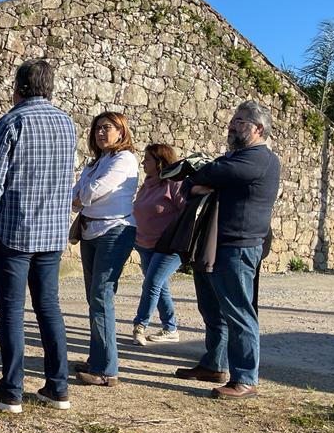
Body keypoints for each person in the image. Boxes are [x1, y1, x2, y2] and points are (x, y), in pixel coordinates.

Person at [0, 60, 77, 413]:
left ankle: (11, 390)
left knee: (11, 311)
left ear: (18, 87)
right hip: (52, 232)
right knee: (49, 308)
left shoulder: (12, 121)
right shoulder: (67, 123)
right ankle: (58, 387)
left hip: (15, 230)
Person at [176, 101, 281, 399]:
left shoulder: (259, 159)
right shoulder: (233, 158)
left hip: (238, 247)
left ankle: (245, 379)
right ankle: (214, 364)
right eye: (233, 119)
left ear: (258, 128)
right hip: (213, 243)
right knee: (212, 309)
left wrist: (204, 180)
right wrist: (200, 182)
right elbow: (191, 181)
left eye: (240, 121)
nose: (233, 125)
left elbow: (209, 173)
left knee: (238, 313)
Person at [71, 112, 139, 387]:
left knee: (101, 295)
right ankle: (97, 358)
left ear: (121, 131)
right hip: (91, 230)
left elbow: (93, 191)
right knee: (94, 297)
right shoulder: (97, 162)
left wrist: (82, 196)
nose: (100, 132)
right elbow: (77, 192)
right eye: (97, 128)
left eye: (107, 127)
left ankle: (106, 370)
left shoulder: (125, 159)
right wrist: (80, 196)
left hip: (115, 230)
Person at [130, 144, 185, 345]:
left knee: (152, 283)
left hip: (169, 247)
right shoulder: (147, 184)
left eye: (147, 159)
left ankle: (140, 325)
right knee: (159, 286)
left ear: (160, 162)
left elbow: (187, 213)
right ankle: (170, 328)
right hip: (145, 245)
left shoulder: (174, 184)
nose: (143, 162)